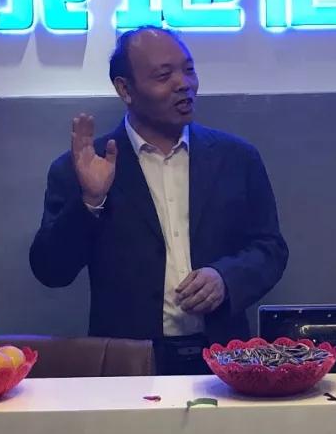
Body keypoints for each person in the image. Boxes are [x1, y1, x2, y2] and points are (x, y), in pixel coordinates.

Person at [30, 27, 289, 375]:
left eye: (189, 70)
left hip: (223, 358)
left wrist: (225, 278)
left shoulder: (236, 158)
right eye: (164, 75)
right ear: (125, 89)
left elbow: (270, 249)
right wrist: (91, 201)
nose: (184, 84)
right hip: (127, 364)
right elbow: (51, 271)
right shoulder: (82, 167)